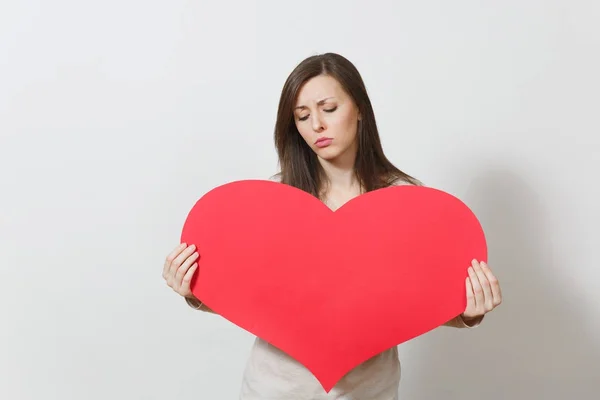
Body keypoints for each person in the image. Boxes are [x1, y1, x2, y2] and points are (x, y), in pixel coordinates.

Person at [162, 52, 503, 399]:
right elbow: (252, 296)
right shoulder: (276, 202)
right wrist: (195, 292)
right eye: (303, 116)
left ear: (359, 108)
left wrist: (468, 313)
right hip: (274, 389)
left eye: (329, 108)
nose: (317, 126)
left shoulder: (404, 202)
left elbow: (416, 300)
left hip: (368, 392)